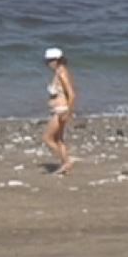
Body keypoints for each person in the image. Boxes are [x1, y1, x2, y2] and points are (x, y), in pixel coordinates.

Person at [42, 47, 76, 175]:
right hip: (59, 109)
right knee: (59, 139)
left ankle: (66, 161)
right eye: (47, 61)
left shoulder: (61, 73)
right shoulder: (59, 72)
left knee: (47, 138)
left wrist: (69, 112)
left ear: (57, 60)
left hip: (61, 110)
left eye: (50, 61)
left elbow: (72, 94)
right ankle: (64, 165)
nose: (48, 64)